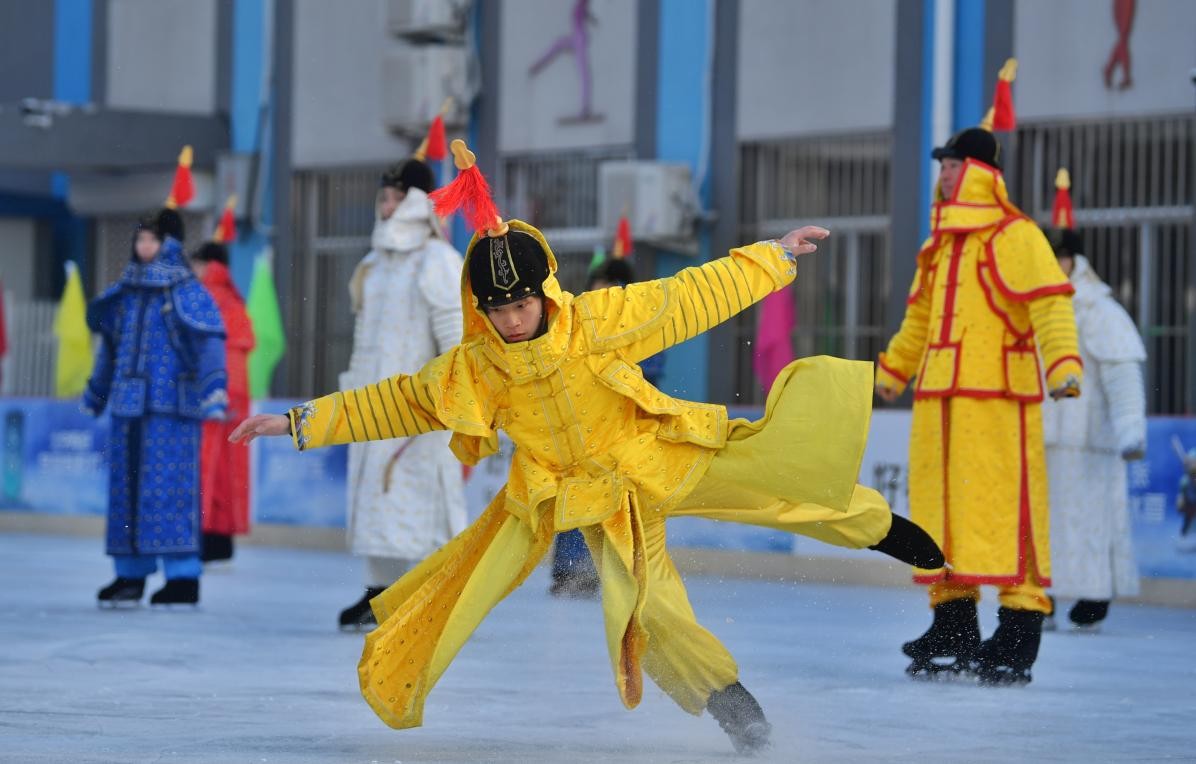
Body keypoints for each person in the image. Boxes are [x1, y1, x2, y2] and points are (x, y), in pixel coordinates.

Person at [230, 139, 942, 755]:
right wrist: (299, 422)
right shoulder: (473, 370)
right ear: (481, 310)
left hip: (662, 451)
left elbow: (688, 295)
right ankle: (735, 708)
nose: (513, 319)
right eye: (499, 309)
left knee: (780, 485)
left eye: (523, 303)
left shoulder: (597, 320)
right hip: (601, 504)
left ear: (544, 291)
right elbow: (392, 401)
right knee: (652, 616)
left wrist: (771, 259)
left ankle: (881, 526)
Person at [876, 126, 1084, 685]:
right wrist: (893, 370)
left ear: (980, 172)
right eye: (941, 165)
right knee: (940, 513)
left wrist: (1064, 365)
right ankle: (953, 623)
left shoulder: (1015, 235)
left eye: (953, 165)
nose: (944, 174)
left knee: (1006, 508)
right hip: (939, 402)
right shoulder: (938, 243)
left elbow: (1050, 306)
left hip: (997, 399)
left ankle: (1019, 629)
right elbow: (919, 319)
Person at [335, 153, 467, 631]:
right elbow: (364, 336)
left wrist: (448, 392)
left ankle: (425, 592)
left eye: (397, 197)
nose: (387, 206)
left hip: (420, 401)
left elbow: (455, 334)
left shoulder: (438, 260)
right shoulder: (374, 264)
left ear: (416, 201)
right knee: (377, 499)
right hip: (372, 404)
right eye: (383, 197)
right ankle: (379, 591)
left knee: (418, 495)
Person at [85, 211, 227, 607]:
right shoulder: (126, 293)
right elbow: (110, 349)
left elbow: (210, 342)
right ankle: (129, 575)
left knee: (169, 493)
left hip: (172, 411)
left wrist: (215, 390)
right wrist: (97, 393)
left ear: (170, 244)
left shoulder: (185, 290)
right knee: (126, 495)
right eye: (141, 240)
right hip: (127, 408)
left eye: (152, 240)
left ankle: (183, 577)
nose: (144, 247)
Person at [1042, 228, 1145, 632]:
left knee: (1093, 523)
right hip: (1042, 436)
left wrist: (1130, 429)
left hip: (1091, 440)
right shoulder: (1034, 306)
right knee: (1043, 525)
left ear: (1074, 260)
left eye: (1060, 257)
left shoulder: (1100, 310)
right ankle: (1041, 598)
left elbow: (1123, 376)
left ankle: (1094, 599)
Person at [548, 256, 664, 599]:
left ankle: (626, 572)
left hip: (626, 432)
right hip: (583, 431)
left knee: (626, 504)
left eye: (606, 287)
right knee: (577, 497)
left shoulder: (641, 324)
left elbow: (650, 373)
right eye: (596, 287)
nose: (599, 294)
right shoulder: (577, 324)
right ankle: (570, 569)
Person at [191, 241, 255, 563]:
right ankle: (221, 542)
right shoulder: (233, 297)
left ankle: (205, 538)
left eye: (198, 264)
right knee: (229, 472)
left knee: (208, 467)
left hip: (215, 389)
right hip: (237, 392)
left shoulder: (206, 297)